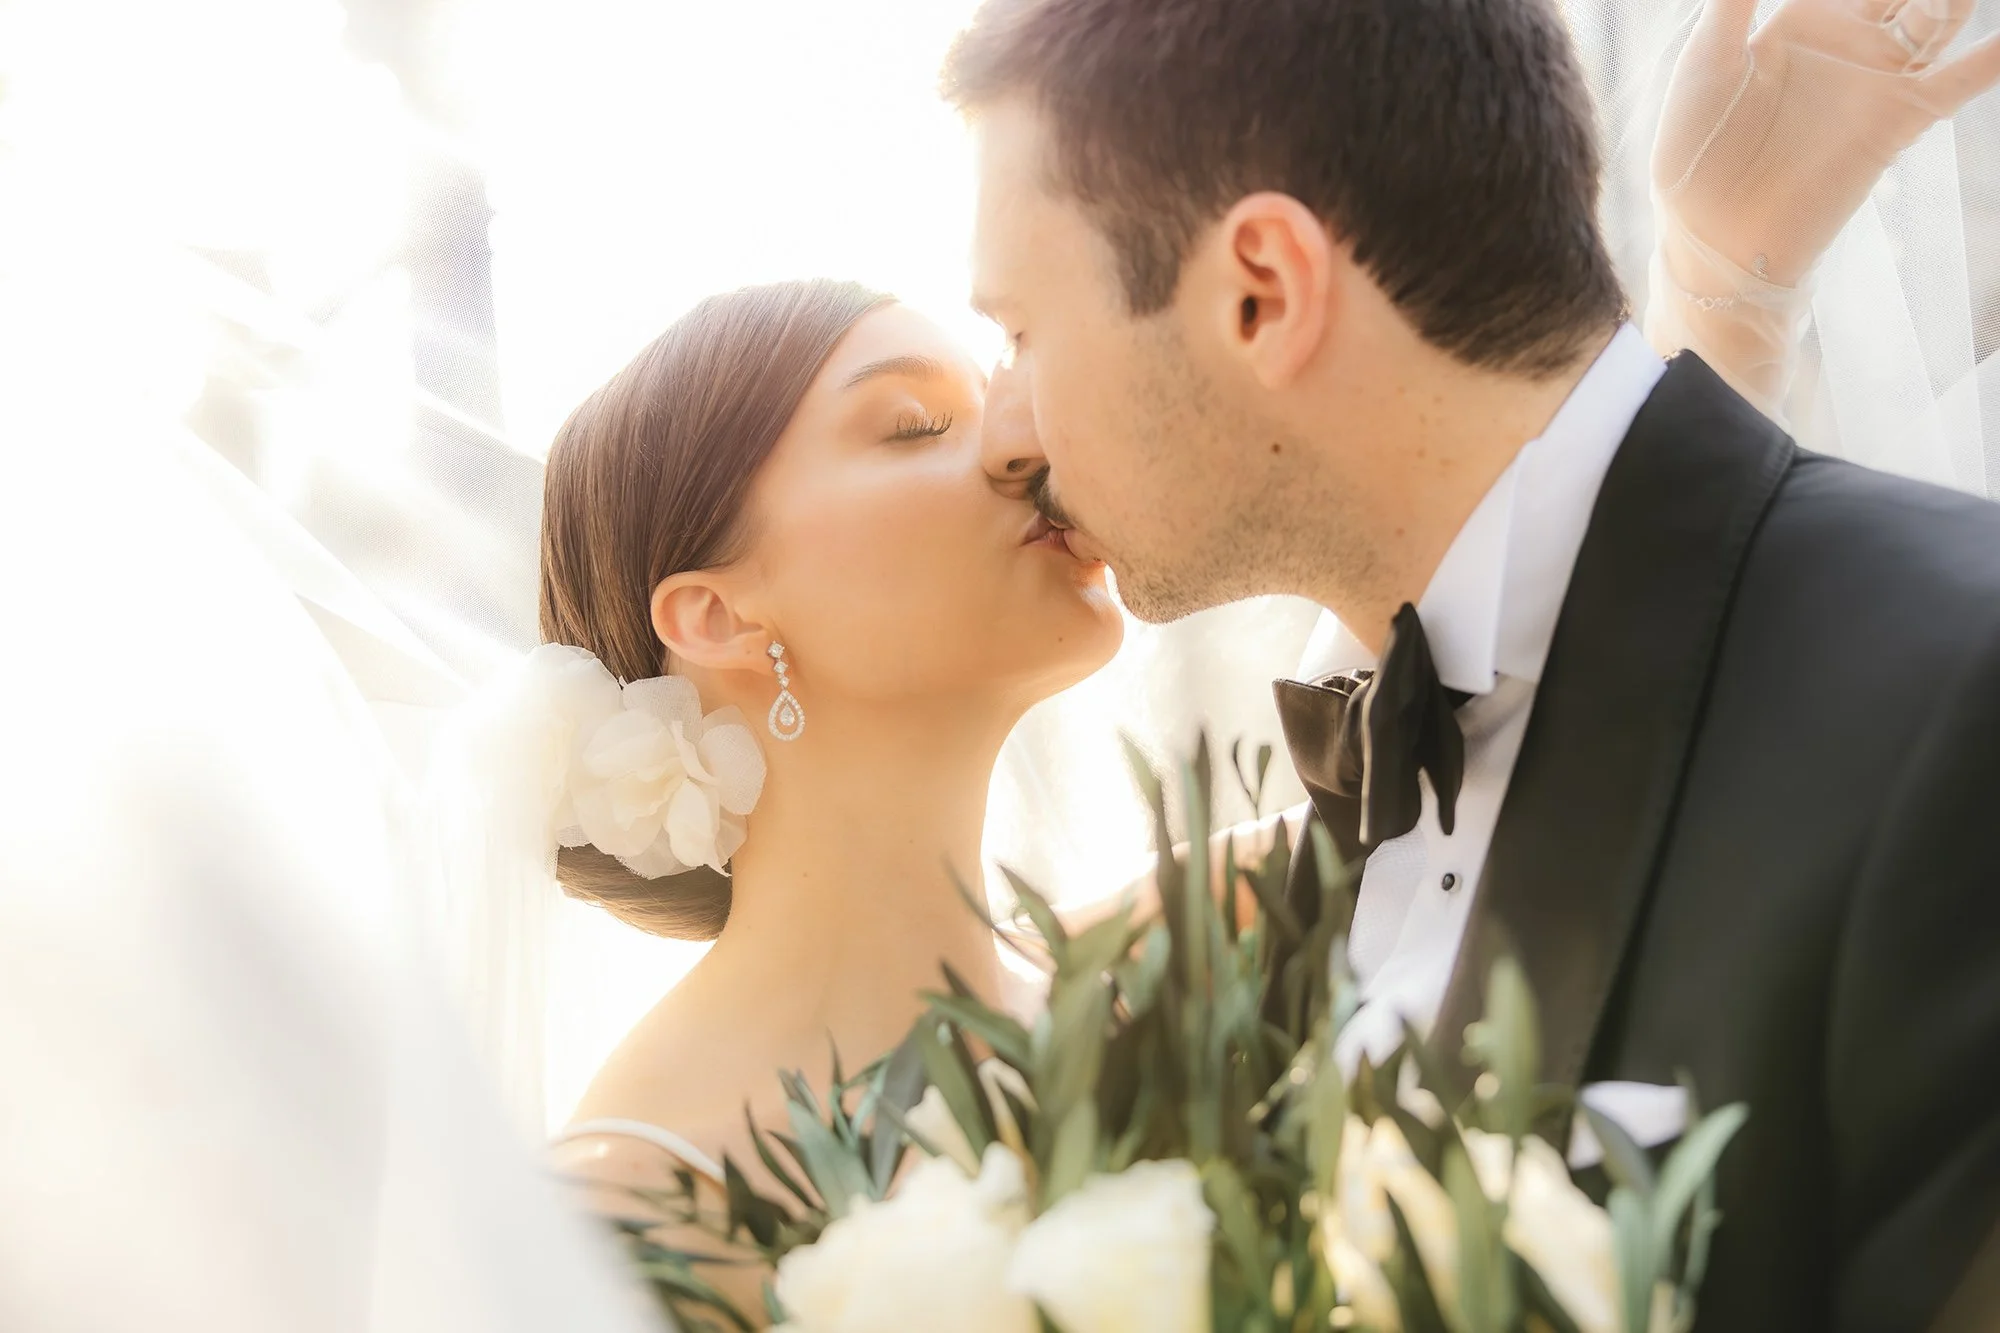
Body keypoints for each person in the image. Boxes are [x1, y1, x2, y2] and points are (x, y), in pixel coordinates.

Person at [942, 0, 2000, 1329]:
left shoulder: (1961, 713)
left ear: (1262, 292)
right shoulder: (1300, 854)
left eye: (1022, 333)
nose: (1005, 424)